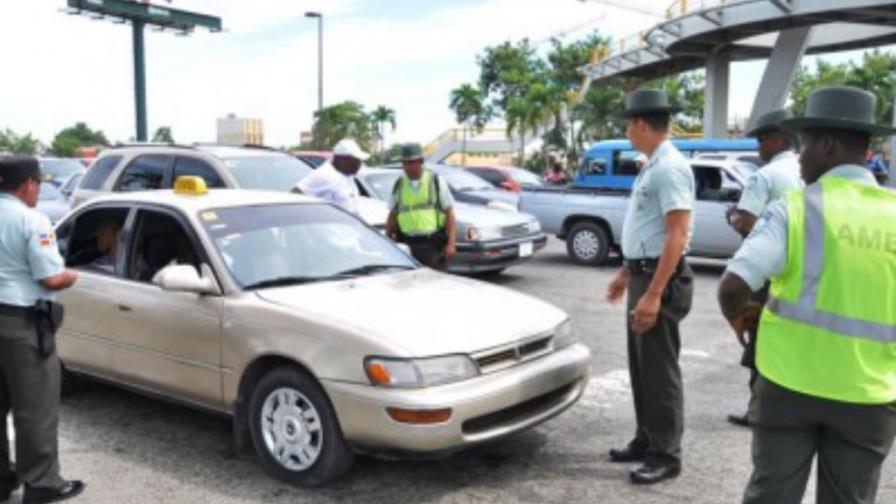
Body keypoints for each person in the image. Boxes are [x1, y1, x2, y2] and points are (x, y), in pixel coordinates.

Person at [717, 86, 896, 504]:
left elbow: (733, 286)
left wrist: (741, 317)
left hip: (787, 385)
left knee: (771, 496)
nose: (798, 157)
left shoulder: (795, 208)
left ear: (828, 145)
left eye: (805, 144)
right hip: (869, 396)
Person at [604, 89, 696, 485]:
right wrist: (627, 273)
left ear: (642, 124)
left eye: (629, 124)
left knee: (660, 371)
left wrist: (654, 293)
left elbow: (677, 235)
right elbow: (649, 229)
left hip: (661, 278)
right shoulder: (652, 165)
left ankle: (665, 455)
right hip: (643, 273)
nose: (627, 131)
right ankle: (646, 439)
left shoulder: (669, 167)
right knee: (642, 368)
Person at [0, 156, 84, 503]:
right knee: (35, 407)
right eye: (38, 184)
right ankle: (42, 483)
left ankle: (2, 480)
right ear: (28, 185)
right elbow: (50, 277)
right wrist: (74, 273)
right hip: (20, 324)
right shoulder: (31, 220)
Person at [723, 108, 803, 428]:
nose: (759, 145)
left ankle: (759, 409)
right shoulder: (808, 170)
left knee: (760, 337)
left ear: (780, 138)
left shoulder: (764, 175)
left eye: (763, 138)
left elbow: (746, 222)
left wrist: (733, 218)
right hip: (804, 270)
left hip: (767, 271)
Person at [385, 143, 457, 270]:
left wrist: (451, 244)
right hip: (406, 244)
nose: (408, 167)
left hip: (432, 245)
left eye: (412, 162)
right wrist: (387, 242)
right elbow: (392, 215)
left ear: (420, 162)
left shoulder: (435, 180)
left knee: (435, 283)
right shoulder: (399, 183)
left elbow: (449, 213)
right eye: (405, 163)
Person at [292, 138, 368, 215]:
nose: (359, 164)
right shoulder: (323, 175)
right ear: (343, 160)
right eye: (356, 161)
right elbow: (295, 194)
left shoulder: (347, 176)